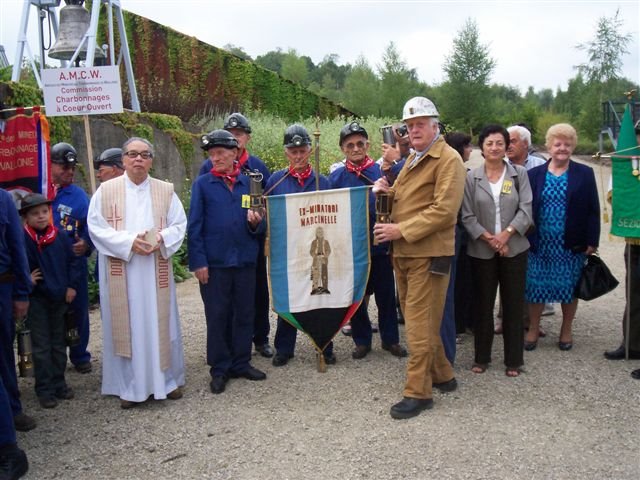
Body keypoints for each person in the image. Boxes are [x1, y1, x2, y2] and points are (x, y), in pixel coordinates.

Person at [373, 97, 465, 419]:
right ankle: (443, 375)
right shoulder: (415, 158)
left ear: (435, 126)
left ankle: (418, 392)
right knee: (423, 320)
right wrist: (387, 191)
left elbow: (444, 211)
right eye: (410, 126)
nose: (414, 130)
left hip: (428, 254)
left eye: (420, 124)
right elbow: (405, 196)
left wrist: (400, 230)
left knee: (419, 325)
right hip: (408, 252)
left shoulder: (447, 159)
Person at [87, 137, 187, 409]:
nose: (138, 159)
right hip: (125, 270)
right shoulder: (106, 191)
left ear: (151, 160)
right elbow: (96, 228)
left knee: (159, 324)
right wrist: (129, 242)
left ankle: (165, 381)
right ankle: (129, 388)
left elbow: (179, 224)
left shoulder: (165, 191)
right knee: (127, 327)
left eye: (144, 154)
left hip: (156, 270)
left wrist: (161, 239)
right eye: (132, 154)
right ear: (123, 160)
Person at [188, 130, 267, 395]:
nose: (215, 158)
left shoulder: (249, 184)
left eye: (221, 153)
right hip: (216, 263)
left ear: (235, 154)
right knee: (218, 315)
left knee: (245, 313)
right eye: (212, 154)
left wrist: (257, 224)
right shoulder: (202, 184)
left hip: (244, 260)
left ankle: (241, 362)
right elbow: (195, 226)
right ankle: (220, 368)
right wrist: (199, 262)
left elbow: (262, 224)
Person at [198, 113, 274, 358]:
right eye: (231, 134)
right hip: (220, 252)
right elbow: (200, 214)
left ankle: (260, 339)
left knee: (256, 294)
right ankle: (226, 351)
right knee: (222, 305)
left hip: (250, 246)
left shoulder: (257, 167)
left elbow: (266, 204)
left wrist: (258, 225)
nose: (235, 138)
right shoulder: (208, 169)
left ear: (247, 138)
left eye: (239, 134)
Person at [328, 121, 406, 360]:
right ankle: (362, 340)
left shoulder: (382, 171)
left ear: (368, 145)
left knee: (385, 295)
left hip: (380, 244)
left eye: (360, 144)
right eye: (350, 145)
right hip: (352, 247)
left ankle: (390, 339)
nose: (355, 148)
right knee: (357, 296)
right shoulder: (337, 177)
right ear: (343, 149)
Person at [461, 125, 533, 377]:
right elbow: (467, 215)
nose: (494, 148)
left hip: (514, 248)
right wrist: (489, 238)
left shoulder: (519, 174)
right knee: (482, 306)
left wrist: (506, 235)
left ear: (506, 146)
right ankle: (482, 357)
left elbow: (526, 210)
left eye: (500, 143)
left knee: (513, 305)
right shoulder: (472, 177)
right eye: (489, 143)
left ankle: (514, 360)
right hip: (481, 249)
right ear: (482, 147)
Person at [524, 124, 600, 351]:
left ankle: (566, 329)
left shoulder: (584, 173)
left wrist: (592, 241)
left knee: (569, 286)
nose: (562, 148)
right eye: (558, 144)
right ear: (549, 146)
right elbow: (525, 208)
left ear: (573, 146)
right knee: (535, 286)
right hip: (539, 241)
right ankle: (533, 328)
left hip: (570, 243)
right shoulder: (533, 175)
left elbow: (592, 209)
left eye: (567, 144)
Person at [265, 124, 335, 367]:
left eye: (303, 151)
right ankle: (284, 348)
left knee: (320, 298)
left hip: (316, 253)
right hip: (289, 251)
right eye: (293, 152)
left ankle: (324, 345)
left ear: (309, 150)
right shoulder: (276, 180)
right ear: (286, 153)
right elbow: (267, 214)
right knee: (290, 297)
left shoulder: (322, 182)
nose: (298, 156)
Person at [20, 193, 81, 408]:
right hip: (37, 300)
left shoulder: (60, 236)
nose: (41, 217)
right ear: (25, 217)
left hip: (59, 297)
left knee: (58, 343)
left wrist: (71, 286)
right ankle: (44, 389)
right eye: (35, 213)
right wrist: (27, 281)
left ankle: (59, 383)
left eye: (44, 212)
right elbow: (17, 266)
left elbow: (73, 262)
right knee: (41, 346)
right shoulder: (23, 240)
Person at [50, 142, 93, 374]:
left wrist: (85, 243)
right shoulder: (39, 190)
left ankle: (79, 354)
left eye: (72, 168)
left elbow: (92, 226)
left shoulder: (78, 196)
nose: (68, 172)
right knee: (48, 315)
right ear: (51, 165)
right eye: (63, 168)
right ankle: (49, 359)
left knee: (78, 311)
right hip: (45, 265)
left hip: (73, 265)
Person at [0, 188, 36, 434]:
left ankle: (12, 410)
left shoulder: (2, 198)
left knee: (3, 354)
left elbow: (16, 246)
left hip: (2, 286)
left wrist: (21, 293)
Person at [604, 125, 640, 372]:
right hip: (634, 238)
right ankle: (633, 343)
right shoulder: (629, 161)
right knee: (634, 292)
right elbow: (613, 192)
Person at [443, 131, 474, 351]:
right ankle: (456, 327)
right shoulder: (455, 171)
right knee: (455, 285)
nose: (471, 150)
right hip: (458, 237)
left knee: (464, 284)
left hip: (467, 236)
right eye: (467, 146)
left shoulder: (467, 171)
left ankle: (464, 322)